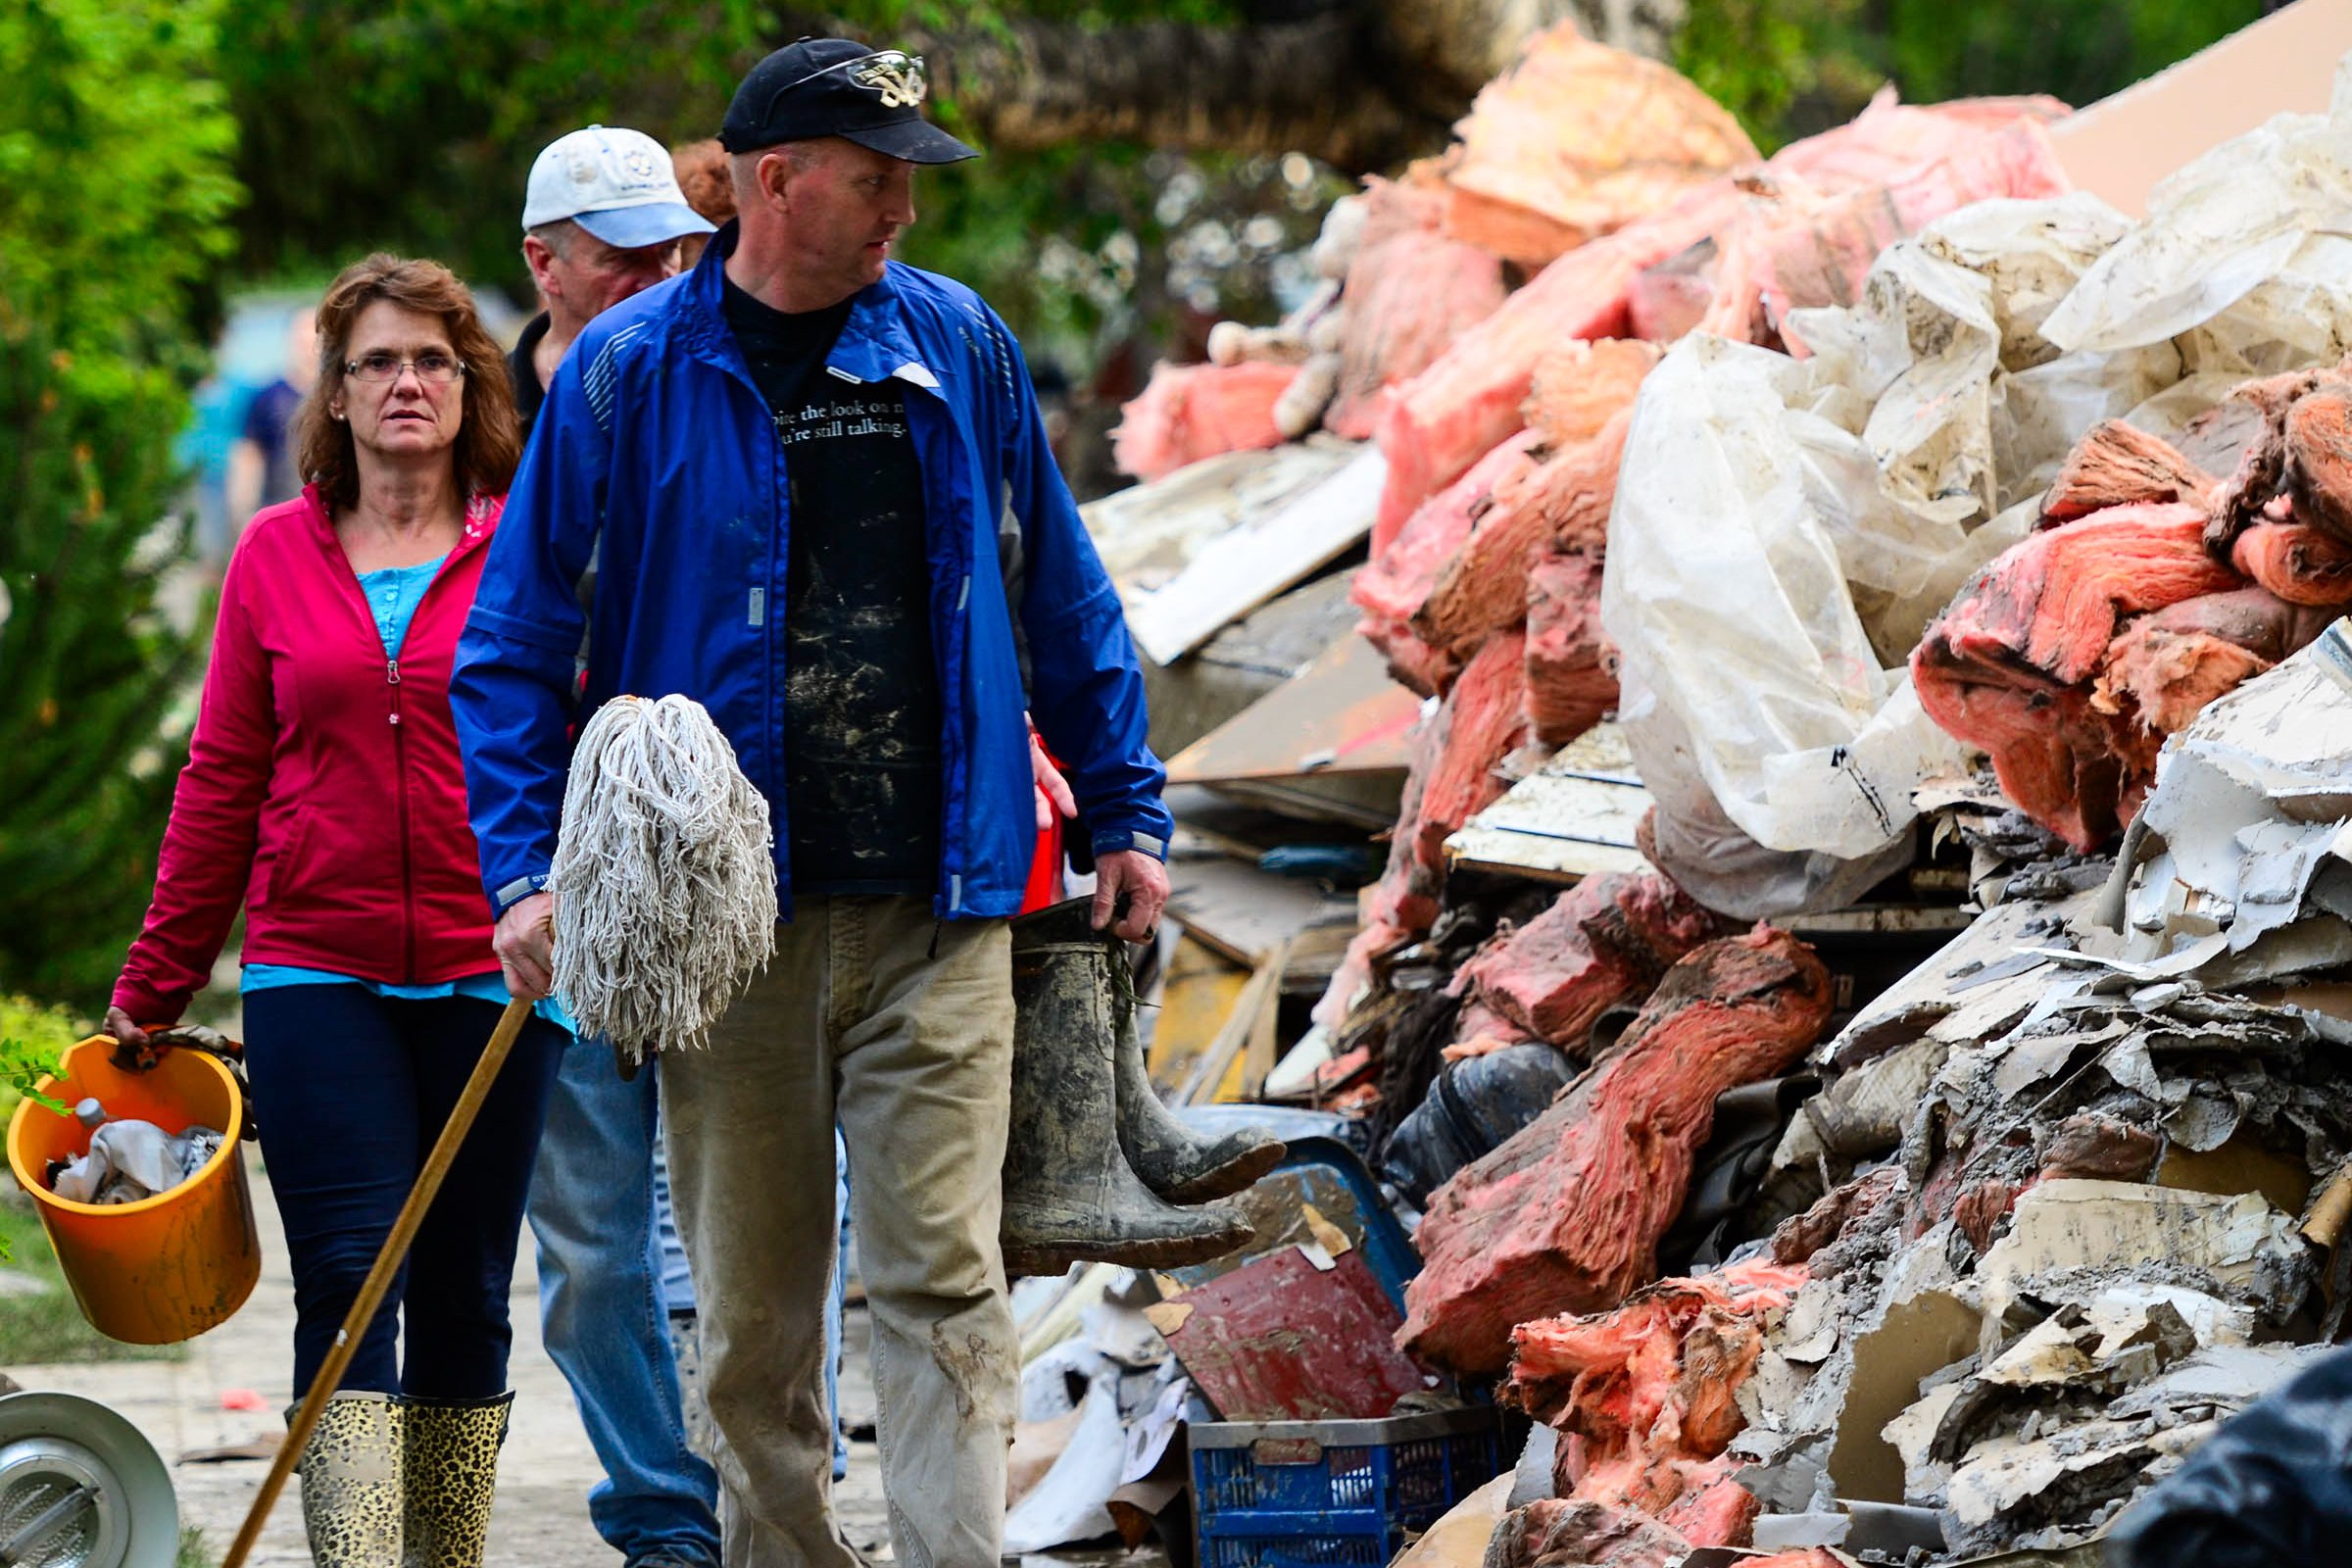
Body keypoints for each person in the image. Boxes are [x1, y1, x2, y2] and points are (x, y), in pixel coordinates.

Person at [450, 36, 1173, 1568]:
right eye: (875, 175)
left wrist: (1125, 809)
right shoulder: (631, 374)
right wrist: (524, 875)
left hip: (944, 907)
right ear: (777, 180)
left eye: (912, 175)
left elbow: (1063, 591)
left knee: (943, 1290)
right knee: (754, 1327)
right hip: (727, 936)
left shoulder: (955, 342)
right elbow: (512, 644)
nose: (904, 206)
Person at [106, 255, 558, 1567]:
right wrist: (159, 975)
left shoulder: (529, 543)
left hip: (500, 970)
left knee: (472, 1294)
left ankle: (444, 1551)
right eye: (377, 362)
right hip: (317, 970)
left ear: (469, 382)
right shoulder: (271, 556)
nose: (405, 383)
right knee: (355, 1282)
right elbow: (223, 777)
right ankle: (359, 1559)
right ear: (339, 396)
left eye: (431, 358)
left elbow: (591, 741)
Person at [503, 123, 728, 1568]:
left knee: (745, 1236)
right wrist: (512, 874)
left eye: (676, 248)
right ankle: (663, 1510)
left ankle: (755, 1503)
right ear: (547, 265)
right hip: (555, 890)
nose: (662, 272)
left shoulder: (725, 381)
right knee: (592, 1260)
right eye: (626, 252)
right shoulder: (481, 429)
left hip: (714, 871)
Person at [510, 125, 714, 438]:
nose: (658, 283)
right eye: (624, 258)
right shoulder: (480, 407)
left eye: (668, 250)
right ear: (544, 263)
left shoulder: (719, 383)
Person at [224, 308, 318, 526]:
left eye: (314, 341)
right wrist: (243, 508)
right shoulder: (267, 396)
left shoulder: (341, 397)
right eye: (302, 341)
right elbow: (250, 454)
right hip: (279, 513)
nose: (309, 350)